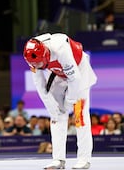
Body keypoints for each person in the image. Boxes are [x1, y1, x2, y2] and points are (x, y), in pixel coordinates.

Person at [23, 32, 97, 169]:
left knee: (80, 116)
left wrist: (69, 102)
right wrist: (51, 107)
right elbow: (39, 85)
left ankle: (84, 160)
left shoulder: (61, 48)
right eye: (36, 65)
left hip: (79, 70)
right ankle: (58, 159)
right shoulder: (31, 57)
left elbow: (75, 78)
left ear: (45, 54)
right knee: (56, 115)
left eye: (40, 63)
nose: (38, 66)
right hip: (57, 72)